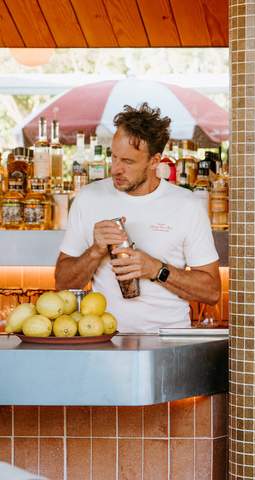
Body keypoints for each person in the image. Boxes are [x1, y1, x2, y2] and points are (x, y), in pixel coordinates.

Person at [55, 103, 221, 332]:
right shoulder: (88, 198)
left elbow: (211, 292)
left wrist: (156, 269)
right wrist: (95, 251)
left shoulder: (187, 205)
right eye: (114, 157)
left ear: (155, 161)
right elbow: (62, 283)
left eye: (128, 161)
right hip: (104, 339)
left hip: (167, 344)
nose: (115, 169)